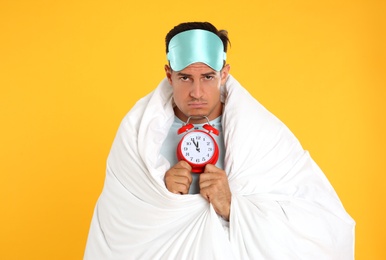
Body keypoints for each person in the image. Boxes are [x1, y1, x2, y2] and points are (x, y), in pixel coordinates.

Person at [84, 22, 355, 259]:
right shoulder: (138, 136)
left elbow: (319, 221)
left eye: (208, 77)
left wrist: (233, 207)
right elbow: (117, 223)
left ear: (224, 74)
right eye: (185, 78)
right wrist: (160, 196)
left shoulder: (260, 134)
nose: (197, 92)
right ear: (169, 75)